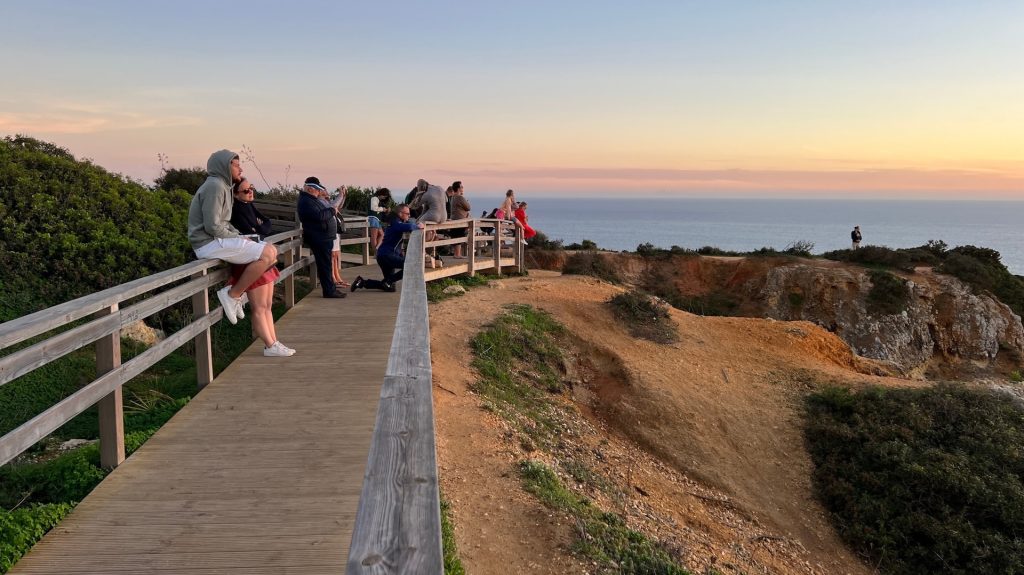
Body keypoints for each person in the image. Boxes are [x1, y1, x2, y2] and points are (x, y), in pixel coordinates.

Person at [187, 151, 292, 357]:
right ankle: (233, 294)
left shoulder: (222, 186)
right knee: (267, 253)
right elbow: (212, 225)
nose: (240, 169)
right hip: (208, 243)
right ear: (224, 166)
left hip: (216, 239)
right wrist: (239, 238)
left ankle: (235, 294)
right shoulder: (215, 186)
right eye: (236, 165)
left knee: (270, 251)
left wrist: (240, 237)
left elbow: (222, 225)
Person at [227, 179, 293, 357]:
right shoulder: (236, 209)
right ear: (235, 194)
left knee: (267, 305)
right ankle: (269, 345)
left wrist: (258, 226)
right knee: (259, 306)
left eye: (251, 188)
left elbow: (266, 225)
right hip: (251, 261)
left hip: (261, 257)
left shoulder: (249, 205)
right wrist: (258, 227)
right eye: (246, 191)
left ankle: (273, 342)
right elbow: (254, 229)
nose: (250, 192)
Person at [350, 204, 424, 292]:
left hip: (383, 256)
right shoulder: (395, 222)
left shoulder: (394, 221)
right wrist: (418, 226)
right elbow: (408, 227)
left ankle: (362, 282)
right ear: (400, 214)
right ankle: (388, 281)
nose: (409, 215)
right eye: (407, 213)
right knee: (412, 265)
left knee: (390, 287)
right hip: (387, 255)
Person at [297, 176, 346, 299]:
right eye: (317, 189)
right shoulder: (306, 202)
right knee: (324, 265)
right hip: (319, 237)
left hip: (324, 237)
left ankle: (331, 289)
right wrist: (332, 211)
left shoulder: (311, 200)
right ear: (309, 189)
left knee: (326, 265)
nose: (319, 192)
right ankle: (329, 291)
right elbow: (320, 216)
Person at [416, 182, 448, 268]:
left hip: (434, 215)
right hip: (444, 216)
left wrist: (418, 195)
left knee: (419, 226)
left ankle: (421, 249)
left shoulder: (426, 194)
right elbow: (447, 200)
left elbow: (416, 205)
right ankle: (430, 248)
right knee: (430, 229)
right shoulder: (440, 188)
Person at [449, 181, 471, 259]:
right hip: (460, 220)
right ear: (458, 189)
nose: (462, 188)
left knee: (456, 236)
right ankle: (458, 254)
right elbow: (468, 207)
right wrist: (467, 202)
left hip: (453, 219)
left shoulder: (452, 197)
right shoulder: (460, 197)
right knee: (459, 236)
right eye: (461, 187)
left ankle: (456, 254)